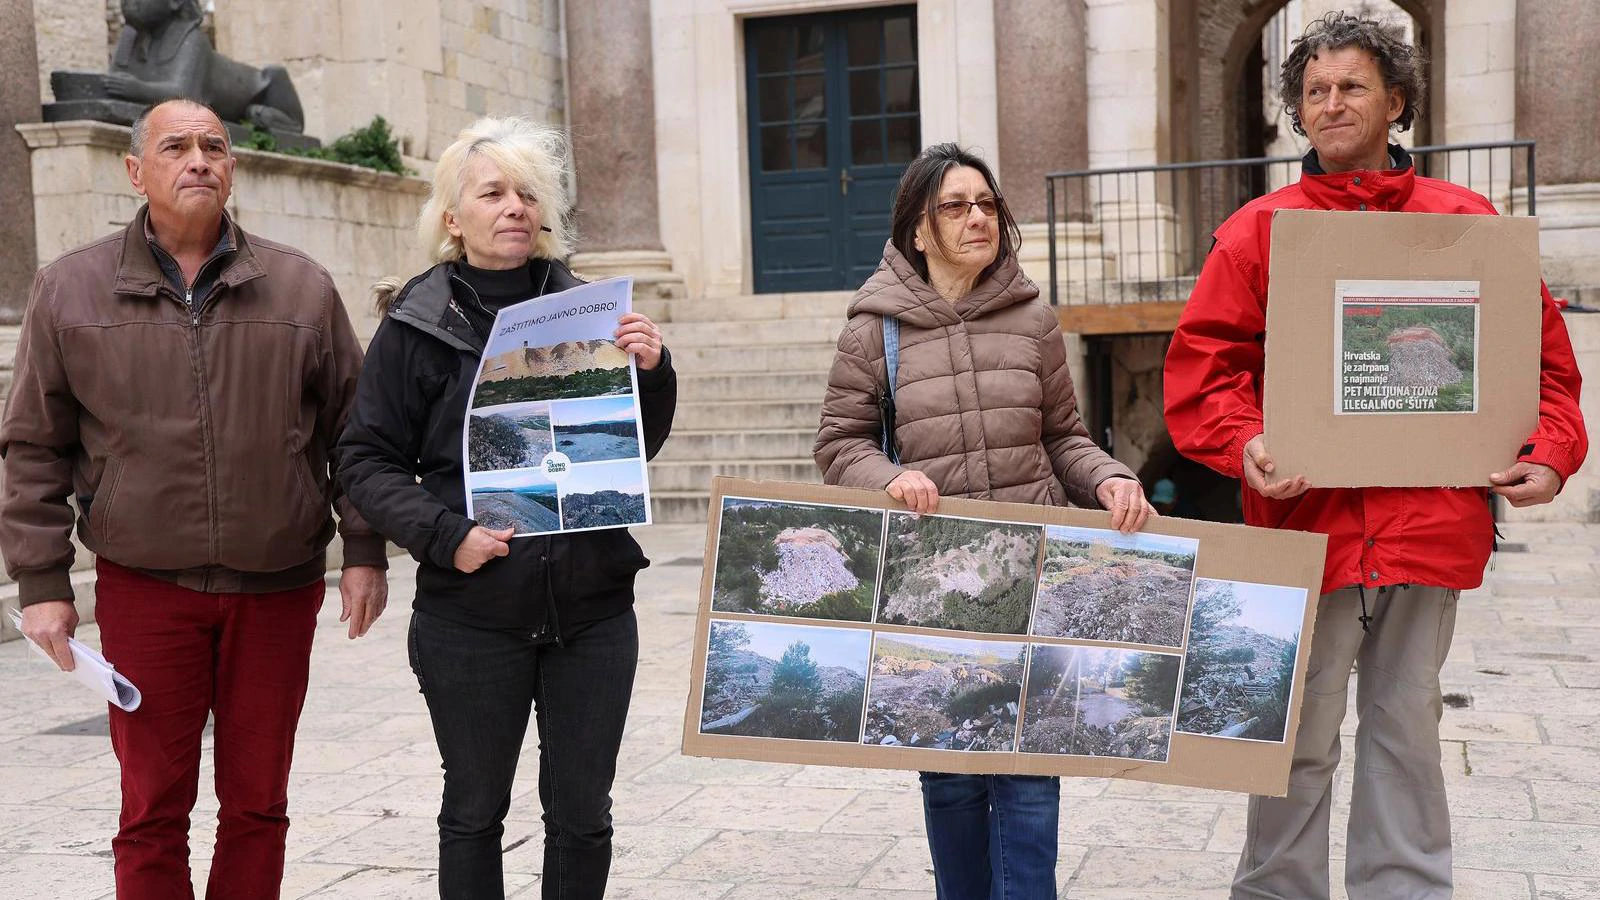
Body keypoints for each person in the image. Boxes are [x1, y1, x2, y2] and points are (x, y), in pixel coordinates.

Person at [1163, 14, 1586, 900]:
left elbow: (1545, 367)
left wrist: (1549, 454)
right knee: (1292, 736)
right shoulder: (1256, 233)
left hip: (1427, 530)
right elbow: (1206, 370)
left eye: (1351, 86)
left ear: (1396, 101)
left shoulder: (1467, 225)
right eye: (1314, 91)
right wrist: (1246, 443)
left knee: (1406, 731)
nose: (1331, 104)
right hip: (1304, 530)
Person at [0, 98, 389, 900]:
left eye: (214, 146)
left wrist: (363, 549)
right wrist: (41, 584)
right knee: (151, 810)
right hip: (145, 589)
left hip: (277, 589)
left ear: (233, 170)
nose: (199, 160)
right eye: (175, 147)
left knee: (258, 806)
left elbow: (355, 432)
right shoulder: (69, 289)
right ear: (135, 171)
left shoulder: (301, 288)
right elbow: (33, 445)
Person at [335, 116, 677, 900]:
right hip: (472, 613)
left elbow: (636, 446)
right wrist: (444, 535)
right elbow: (363, 458)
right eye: (492, 193)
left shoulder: (591, 311)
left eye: (527, 193)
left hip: (591, 609)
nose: (515, 207)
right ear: (453, 218)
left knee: (583, 816)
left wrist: (652, 371)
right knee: (473, 813)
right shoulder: (415, 326)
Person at [815, 142, 1154, 900]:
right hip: (935, 583)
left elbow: (1064, 436)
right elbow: (839, 446)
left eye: (987, 204)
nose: (978, 218)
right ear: (918, 230)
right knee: (952, 778)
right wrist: (890, 476)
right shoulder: (873, 330)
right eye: (955, 206)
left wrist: (1109, 477)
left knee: (1031, 779)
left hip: (1031, 576)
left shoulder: (1033, 317)